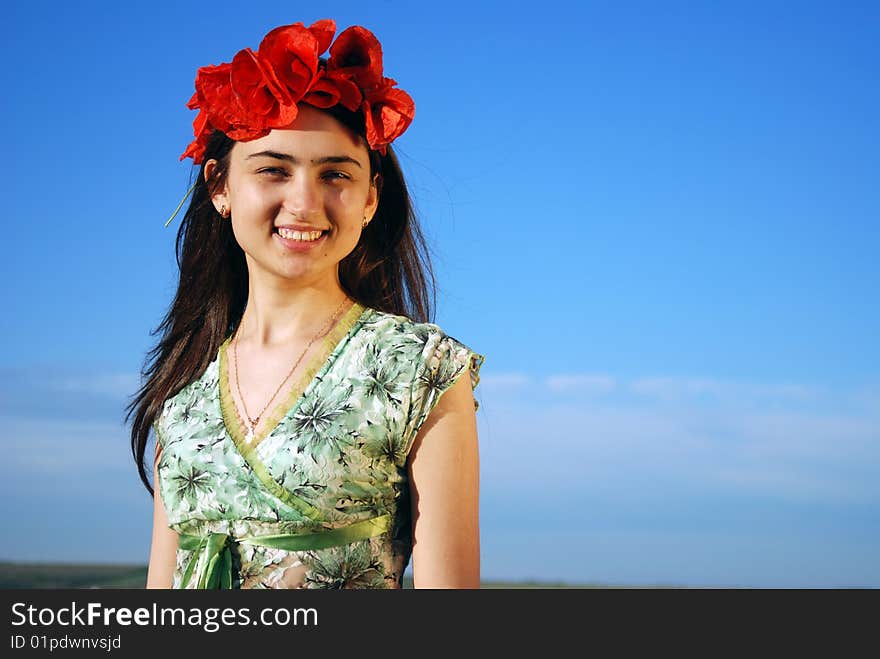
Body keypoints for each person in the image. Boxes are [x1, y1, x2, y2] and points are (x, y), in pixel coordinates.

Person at [125, 19, 484, 589]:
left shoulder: (420, 370)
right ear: (219, 186)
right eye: (273, 169)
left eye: (335, 174)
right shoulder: (184, 389)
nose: (304, 202)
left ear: (369, 198)